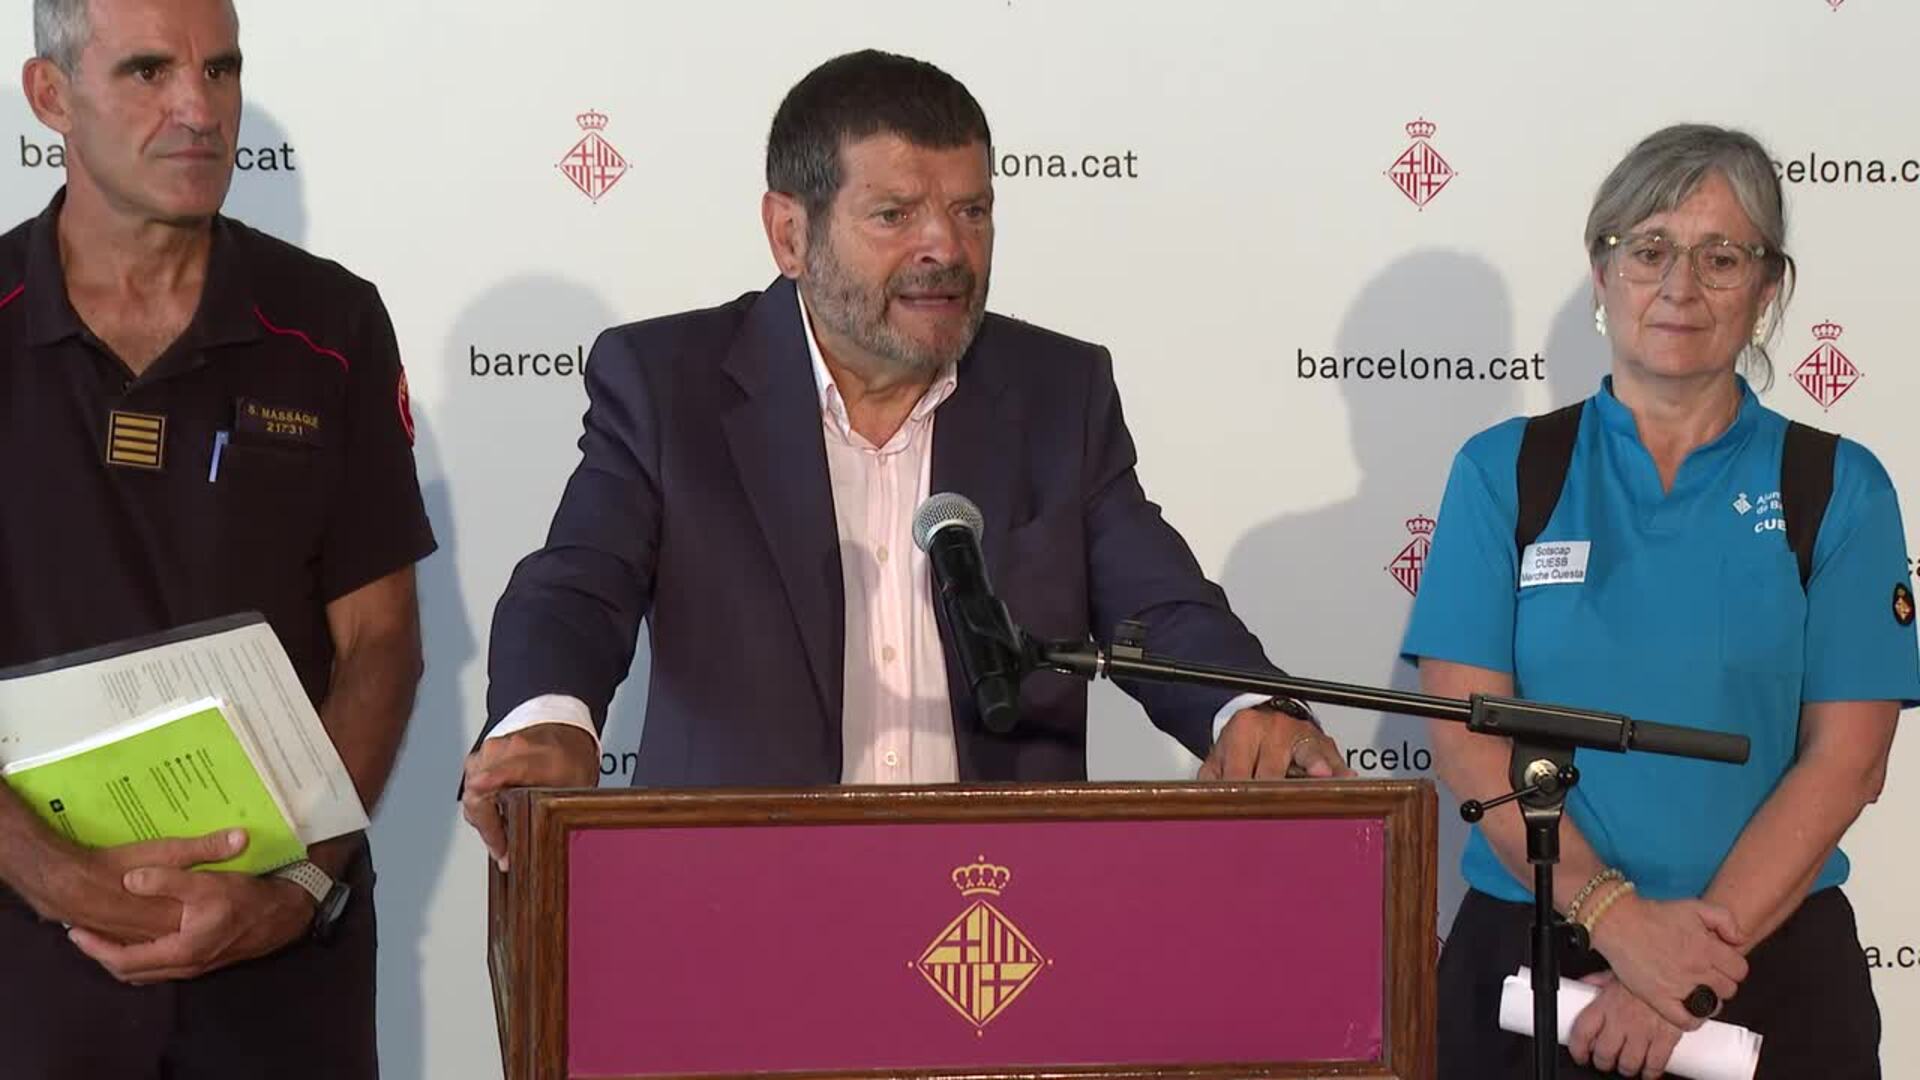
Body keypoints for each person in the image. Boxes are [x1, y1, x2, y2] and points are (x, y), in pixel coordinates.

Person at [462, 49, 1346, 860]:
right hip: (742, 898)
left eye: (972, 211)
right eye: (895, 215)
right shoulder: (667, 386)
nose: (947, 250)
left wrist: (1250, 709)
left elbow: (1160, 606)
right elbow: (578, 586)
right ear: (790, 235)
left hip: (998, 919)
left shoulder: (1055, 393)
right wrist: (549, 722)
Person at [1404, 123, 1917, 1079]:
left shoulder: (1838, 487)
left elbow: (1849, 761)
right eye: (1649, 250)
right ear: (1602, 274)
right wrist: (1620, 924)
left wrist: (1679, 974)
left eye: (1721, 257)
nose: (1680, 286)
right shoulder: (1503, 472)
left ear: (1768, 289)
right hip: (1535, 970)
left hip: (1767, 969)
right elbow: (1466, 737)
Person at [0, 0, 436, 1076]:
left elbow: (381, 644)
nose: (199, 108)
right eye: (148, 72)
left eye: (222, 70)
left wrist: (295, 887)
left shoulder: (332, 324)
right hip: (28, 967)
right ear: (51, 96)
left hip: (281, 962)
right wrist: (65, 881)